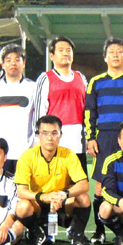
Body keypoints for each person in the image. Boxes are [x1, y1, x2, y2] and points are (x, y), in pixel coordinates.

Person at [85, 37, 123, 243]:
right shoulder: (96, 82)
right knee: (101, 185)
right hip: (105, 137)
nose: (116, 55)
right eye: (111, 52)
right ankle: (99, 231)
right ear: (105, 57)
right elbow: (90, 112)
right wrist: (91, 138)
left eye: (120, 51)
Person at [13, 115, 96, 245]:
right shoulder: (27, 156)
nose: (49, 138)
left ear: (60, 135)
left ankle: (77, 239)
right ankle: (37, 234)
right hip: (39, 204)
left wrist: (63, 195)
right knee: (22, 207)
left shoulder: (68, 155)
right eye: (45, 133)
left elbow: (84, 185)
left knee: (83, 198)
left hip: (60, 204)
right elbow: (21, 191)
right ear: (38, 135)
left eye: (54, 133)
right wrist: (44, 197)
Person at [34, 36, 88, 170]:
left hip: (78, 139)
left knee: (79, 179)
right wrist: (39, 137)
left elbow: (87, 108)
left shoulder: (81, 77)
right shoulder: (45, 78)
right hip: (54, 138)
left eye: (68, 50)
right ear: (51, 55)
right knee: (56, 179)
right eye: (61, 50)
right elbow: (39, 110)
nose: (65, 53)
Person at [0, 44, 36, 175]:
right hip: (0, 152)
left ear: (23, 63)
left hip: (25, 150)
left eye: (17, 60)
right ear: (2, 64)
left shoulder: (33, 88)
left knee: (24, 186)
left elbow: (37, 118)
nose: (13, 63)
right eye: (8, 60)